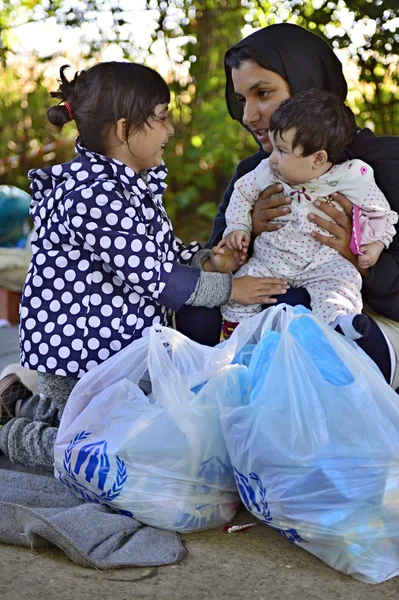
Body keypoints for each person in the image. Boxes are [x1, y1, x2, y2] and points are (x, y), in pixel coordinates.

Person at [0, 61, 289, 469]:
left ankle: (28, 405)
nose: (171, 130)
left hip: (113, 355)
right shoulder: (93, 196)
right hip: (82, 360)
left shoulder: (127, 187)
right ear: (123, 130)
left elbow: (160, 254)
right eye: (162, 118)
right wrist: (231, 289)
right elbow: (156, 277)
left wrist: (208, 260)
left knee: (144, 429)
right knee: (107, 448)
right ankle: (13, 434)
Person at [205, 23, 399, 387]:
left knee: (298, 309)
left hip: (369, 321)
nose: (248, 116)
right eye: (241, 99)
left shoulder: (386, 164)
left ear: (311, 86)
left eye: (262, 93)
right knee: (201, 317)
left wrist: (358, 257)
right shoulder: (257, 172)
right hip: (273, 304)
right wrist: (246, 234)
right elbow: (215, 262)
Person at [217, 89, 397, 339]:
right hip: (271, 260)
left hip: (323, 264)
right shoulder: (265, 172)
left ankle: (339, 329)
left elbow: (381, 214)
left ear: (318, 158)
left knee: (342, 285)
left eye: (282, 150)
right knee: (241, 289)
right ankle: (235, 341)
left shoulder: (351, 177)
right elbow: (242, 194)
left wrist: (376, 245)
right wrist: (238, 227)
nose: (272, 159)